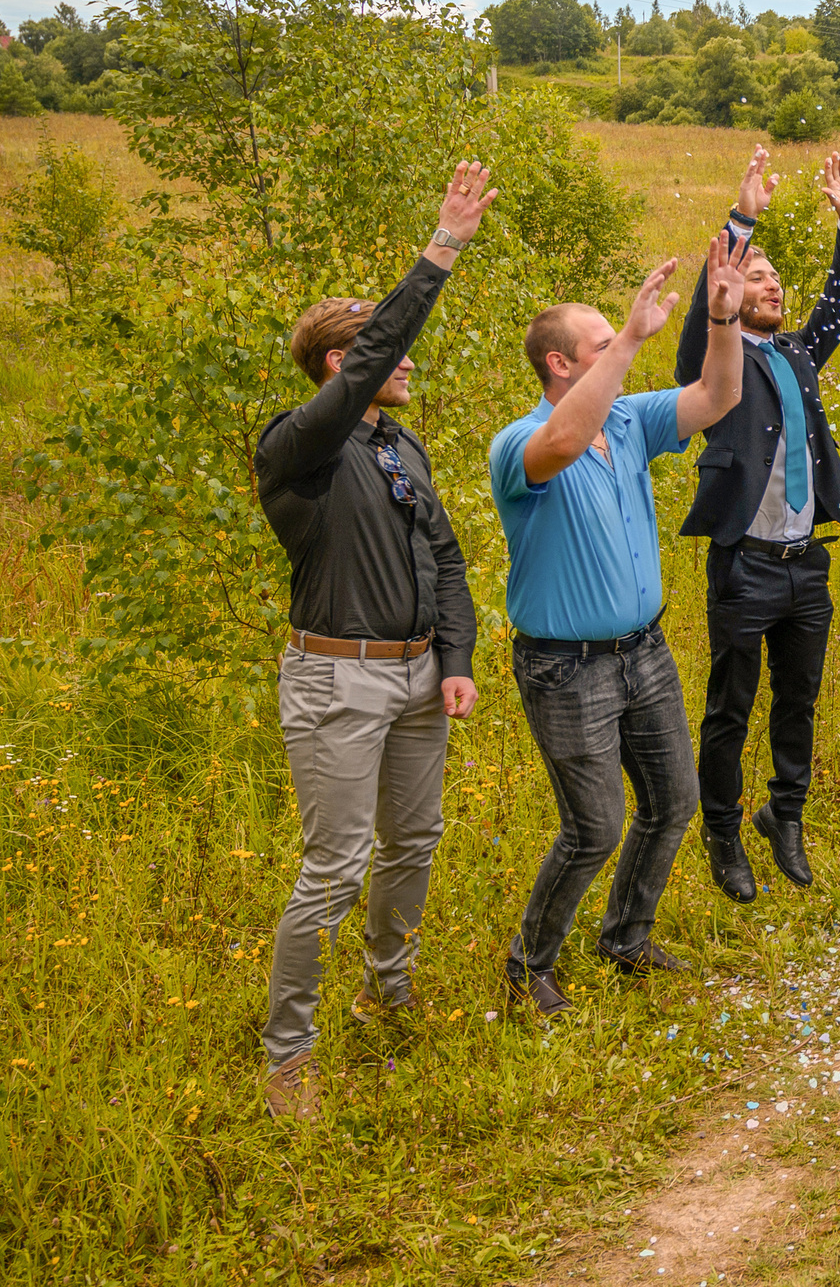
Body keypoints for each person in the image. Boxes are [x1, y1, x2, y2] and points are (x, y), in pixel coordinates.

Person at [252, 162, 493, 1121]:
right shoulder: (296, 449)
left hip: (415, 678)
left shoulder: (400, 446)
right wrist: (440, 251)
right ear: (336, 370)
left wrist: (458, 661)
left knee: (415, 843)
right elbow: (376, 352)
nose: (404, 364)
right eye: (380, 356)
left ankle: (389, 992)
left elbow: (447, 556)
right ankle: (288, 1055)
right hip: (336, 683)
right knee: (335, 865)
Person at [489, 237, 748, 1017]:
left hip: (644, 652)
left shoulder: (631, 422)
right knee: (594, 825)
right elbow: (564, 441)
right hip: (566, 667)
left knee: (674, 801)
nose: (622, 351)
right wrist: (633, 337)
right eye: (601, 344)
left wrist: (725, 317)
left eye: (618, 340)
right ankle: (529, 962)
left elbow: (717, 398)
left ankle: (626, 937)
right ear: (561, 365)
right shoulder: (520, 444)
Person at [674, 145, 840, 902]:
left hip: (804, 562)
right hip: (744, 563)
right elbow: (702, 318)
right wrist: (742, 221)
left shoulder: (796, 353)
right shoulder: (714, 358)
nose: (774, 287)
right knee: (732, 704)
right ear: (733, 287)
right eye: (758, 276)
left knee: (800, 697)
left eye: (775, 281)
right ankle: (722, 833)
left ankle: (782, 814)